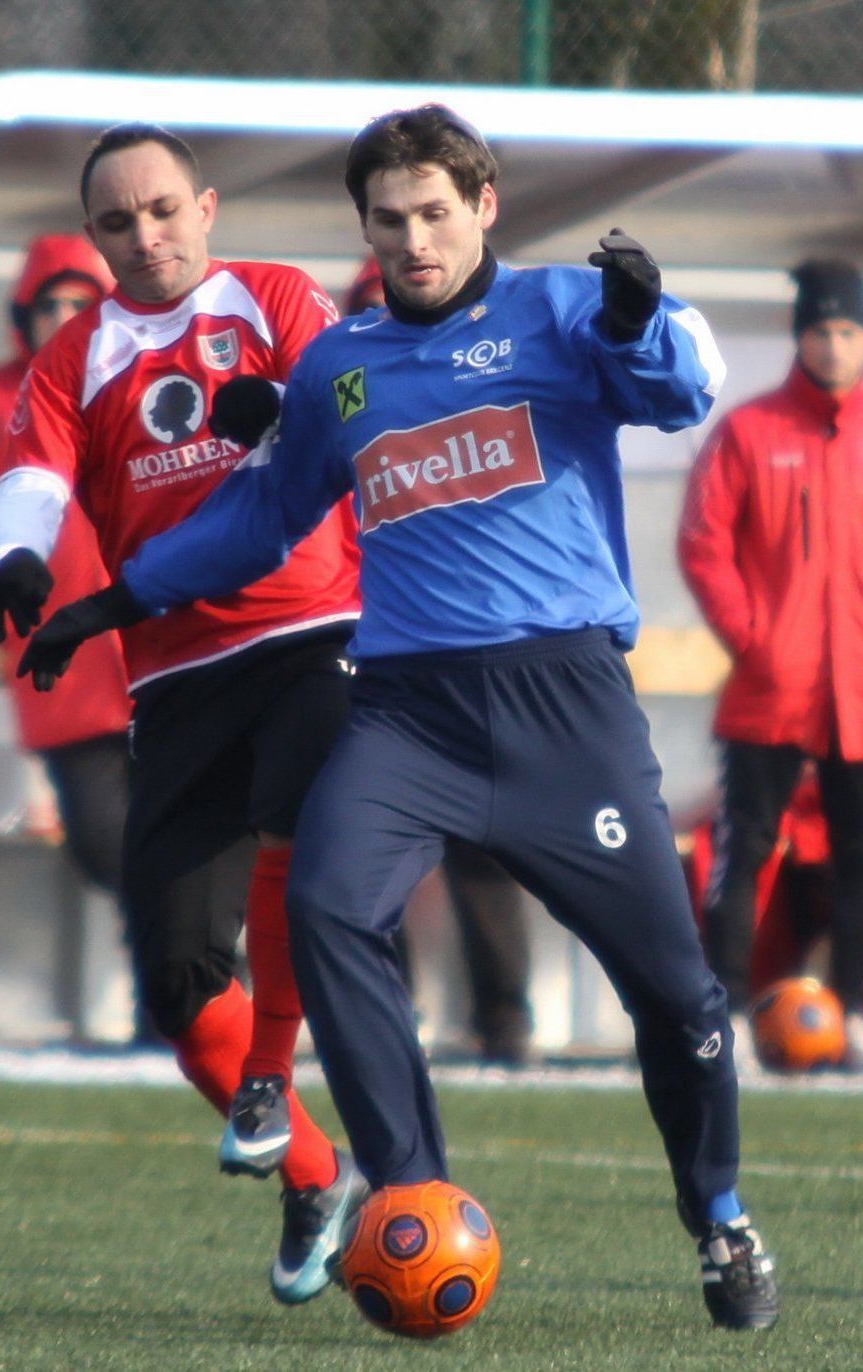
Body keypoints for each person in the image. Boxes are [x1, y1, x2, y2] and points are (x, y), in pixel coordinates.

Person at [21, 104, 779, 1332]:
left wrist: (641, 321)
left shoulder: (559, 310)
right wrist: (116, 597)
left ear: (483, 206)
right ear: (364, 229)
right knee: (325, 905)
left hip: (561, 704)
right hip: (408, 710)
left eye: (435, 212)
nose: (413, 239)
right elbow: (264, 516)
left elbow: (684, 386)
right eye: (388, 220)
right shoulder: (341, 364)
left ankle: (719, 1215)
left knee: (678, 996)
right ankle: (408, 1187)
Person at [0, 123, 364, 1304]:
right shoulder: (74, 358)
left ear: (205, 205)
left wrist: (282, 415)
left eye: (159, 211)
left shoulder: (278, 295)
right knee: (177, 982)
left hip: (313, 633)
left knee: (301, 807)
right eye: (114, 223)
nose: (142, 239)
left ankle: (272, 1071)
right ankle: (312, 1169)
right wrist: (15, 556)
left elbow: (350, 406)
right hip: (175, 677)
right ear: (92, 239)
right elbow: (30, 476)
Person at [677, 259, 863, 1074]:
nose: (834, 346)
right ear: (800, 337)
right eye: (821, 330)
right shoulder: (750, 431)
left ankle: (859, 1014)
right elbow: (703, 542)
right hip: (771, 686)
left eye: (847, 331)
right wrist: (751, 635)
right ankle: (721, 1019)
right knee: (745, 848)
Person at [343, 256, 535, 1067]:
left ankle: (507, 1021)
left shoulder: (483, 393)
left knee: (490, 847)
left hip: (472, 657)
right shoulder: (336, 390)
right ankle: (393, 1019)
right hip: (365, 659)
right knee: (364, 854)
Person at [0, 233, 132, 911]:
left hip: (149, 638)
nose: (63, 317)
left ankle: (178, 998)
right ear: (24, 314)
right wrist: (0, 593)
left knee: (180, 825)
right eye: (50, 304)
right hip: (60, 650)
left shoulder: (135, 385)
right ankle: (186, 984)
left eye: (82, 303)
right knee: (105, 840)